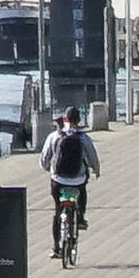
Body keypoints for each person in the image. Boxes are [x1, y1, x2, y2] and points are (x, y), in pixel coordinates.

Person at [38, 106, 100, 259]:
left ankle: (56, 247)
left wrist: (48, 169)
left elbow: (45, 158)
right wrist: (96, 170)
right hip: (77, 179)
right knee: (82, 187)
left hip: (58, 179)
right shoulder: (83, 138)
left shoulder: (54, 136)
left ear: (64, 119)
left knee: (57, 210)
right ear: (79, 121)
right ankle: (80, 217)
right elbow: (92, 156)